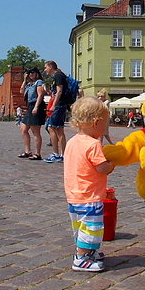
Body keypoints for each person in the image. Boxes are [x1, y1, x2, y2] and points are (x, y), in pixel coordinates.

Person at [64, 96, 115, 272]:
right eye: (105, 123)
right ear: (96, 123)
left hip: (74, 195)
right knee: (91, 228)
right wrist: (112, 164)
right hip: (89, 196)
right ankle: (81, 258)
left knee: (80, 227)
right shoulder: (93, 144)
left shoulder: (71, 142)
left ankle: (88, 252)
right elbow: (101, 168)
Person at [18, 67, 46, 160]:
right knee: (23, 129)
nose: (30, 74)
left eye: (32, 72)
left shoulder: (39, 82)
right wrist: (24, 80)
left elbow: (40, 95)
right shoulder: (29, 85)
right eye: (29, 73)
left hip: (35, 106)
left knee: (35, 131)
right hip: (29, 107)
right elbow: (21, 91)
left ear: (37, 73)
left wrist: (36, 107)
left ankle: (37, 153)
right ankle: (27, 151)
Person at [43, 60, 68, 163]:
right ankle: (63, 154)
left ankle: (56, 154)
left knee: (51, 127)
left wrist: (53, 105)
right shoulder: (59, 75)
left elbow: (59, 91)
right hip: (61, 105)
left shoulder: (58, 76)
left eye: (45, 67)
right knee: (60, 130)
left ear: (50, 66)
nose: (45, 70)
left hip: (59, 105)